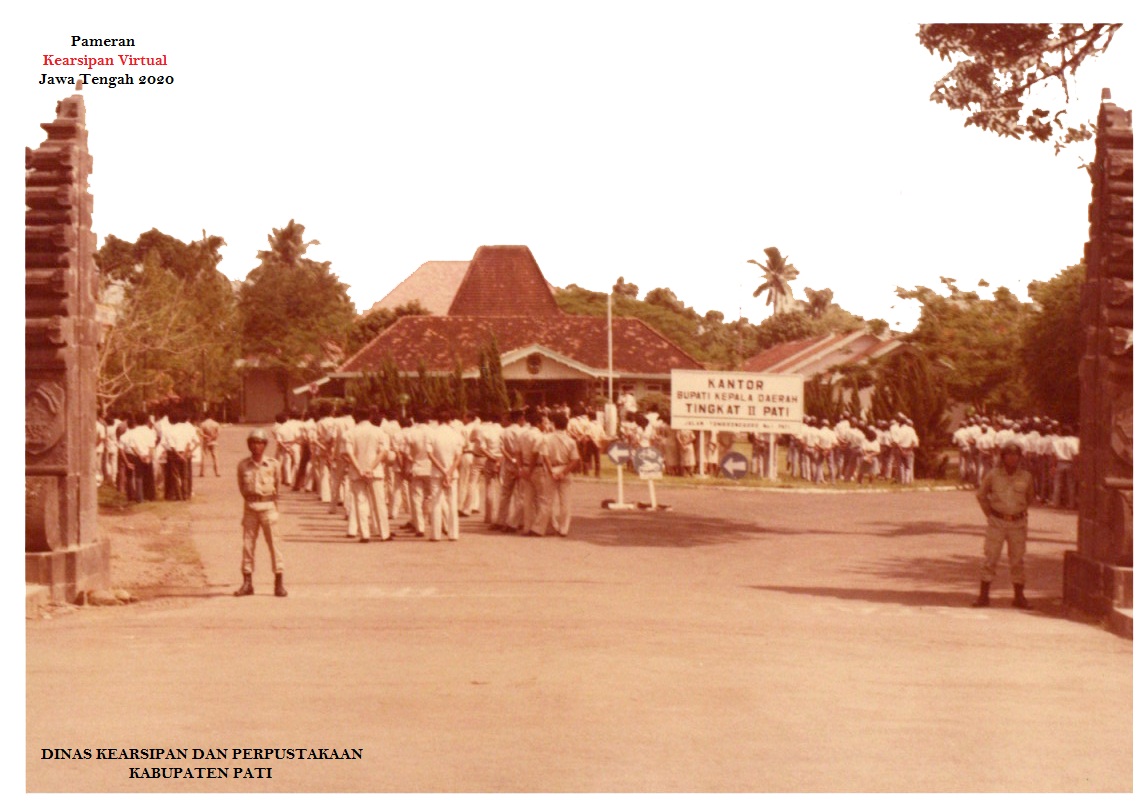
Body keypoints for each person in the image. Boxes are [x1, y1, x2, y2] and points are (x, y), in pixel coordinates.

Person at [973, 442, 1034, 609]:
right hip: (997, 522)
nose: (1013, 458)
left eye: (1016, 455)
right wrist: (991, 514)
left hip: (1017, 523)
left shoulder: (1026, 477)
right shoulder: (993, 475)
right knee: (991, 557)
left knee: (1017, 559)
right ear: (1003, 457)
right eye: (1009, 455)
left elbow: (1029, 498)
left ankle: (1019, 596)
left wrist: (1018, 511)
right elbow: (981, 495)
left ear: (1020, 458)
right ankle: (984, 596)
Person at [234, 429, 287, 598]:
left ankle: (279, 583)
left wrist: (269, 500)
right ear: (249, 445)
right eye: (253, 443)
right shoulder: (243, 465)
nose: (256, 446)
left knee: (275, 545)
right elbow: (242, 488)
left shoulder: (273, 464)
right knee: (248, 546)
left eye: (260, 443)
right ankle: (247, 582)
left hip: (268, 507)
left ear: (265, 445)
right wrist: (252, 499)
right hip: (250, 507)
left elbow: (277, 486)